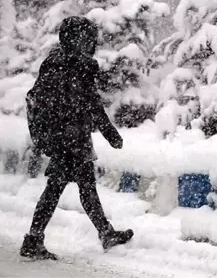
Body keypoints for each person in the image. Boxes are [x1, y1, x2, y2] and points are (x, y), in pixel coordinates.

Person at [20, 16, 133, 260]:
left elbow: (40, 99)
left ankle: (103, 233)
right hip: (71, 139)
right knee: (63, 188)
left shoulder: (53, 62)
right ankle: (34, 238)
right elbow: (92, 102)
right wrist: (110, 132)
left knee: (78, 186)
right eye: (87, 38)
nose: (91, 43)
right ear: (76, 39)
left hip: (61, 137)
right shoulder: (77, 65)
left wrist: (45, 135)